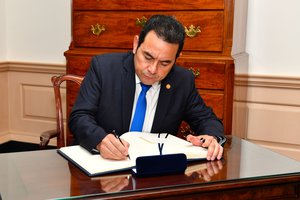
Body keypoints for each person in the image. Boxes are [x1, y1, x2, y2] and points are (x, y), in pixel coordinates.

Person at [69, 14, 225, 161]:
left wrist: (211, 138)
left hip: (153, 172)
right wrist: (99, 140)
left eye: (165, 63)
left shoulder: (182, 81)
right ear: (136, 44)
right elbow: (79, 117)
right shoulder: (104, 68)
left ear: (177, 58)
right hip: (103, 165)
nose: (153, 69)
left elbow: (206, 119)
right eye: (148, 57)